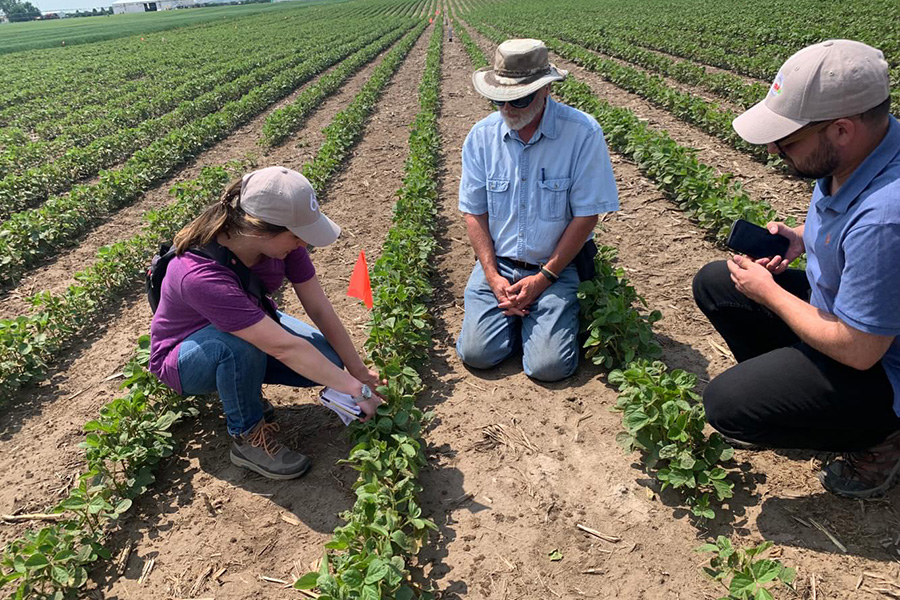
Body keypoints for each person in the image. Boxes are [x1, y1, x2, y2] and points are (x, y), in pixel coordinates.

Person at [692, 40, 900, 498]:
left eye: (786, 141)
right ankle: (808, 404)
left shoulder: (888, 215)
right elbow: (852, 225)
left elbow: (861, 349)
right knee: (717, 282)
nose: (773, 150)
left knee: (726, 405)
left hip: (882, 366)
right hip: (849, 318)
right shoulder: (864, 151)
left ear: (842, 130)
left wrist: (770, 292)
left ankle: (877, 440)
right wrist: (803, 238)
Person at [149, 166, 383, 480]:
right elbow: (282, 346)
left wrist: (356, 370)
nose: (304, 244)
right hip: (185, 357)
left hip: (245, 326)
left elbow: (319, 306)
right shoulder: (197, 273)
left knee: (327, 359)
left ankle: (241, 385)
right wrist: (356, 391)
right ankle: (246, 437)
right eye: (298, 236)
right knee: (236, 347)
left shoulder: (283, 246)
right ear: (260, 230)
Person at [456, 39, 619, 382]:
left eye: (519, 98)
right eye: (499, 99)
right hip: (499, 264)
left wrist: (544, 278)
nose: (508, 109)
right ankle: (518, 317)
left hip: (556, 267)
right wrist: (492, 276)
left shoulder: (582, 133)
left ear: (546, 89)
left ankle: (532, 319)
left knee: (549, 368)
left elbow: (587, 215)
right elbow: (474, 213)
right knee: (478, 354)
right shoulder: (481, 137)